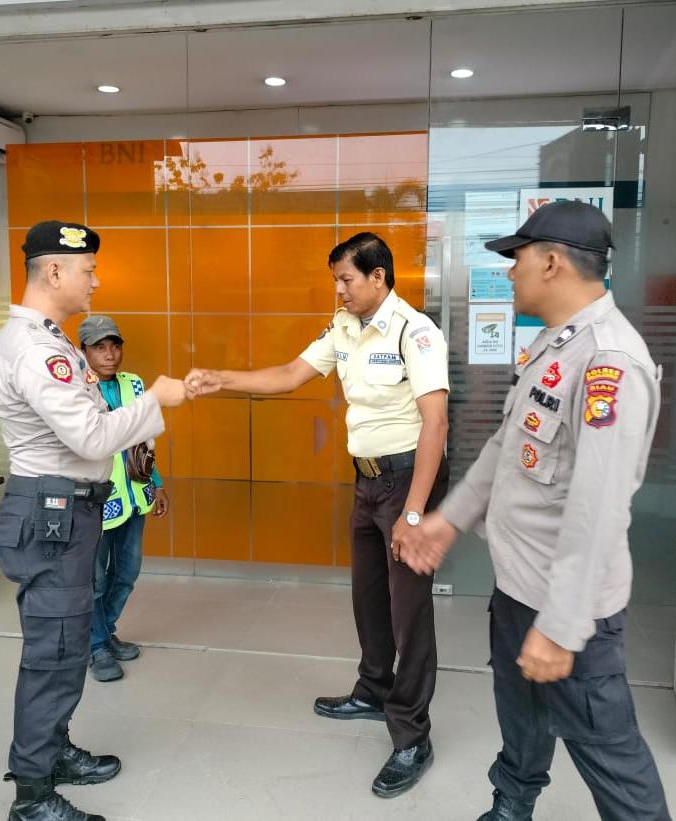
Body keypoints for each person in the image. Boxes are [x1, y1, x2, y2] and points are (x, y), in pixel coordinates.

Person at [396, 202, 671, 821]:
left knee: (610, 756)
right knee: (521, 723)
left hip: (568, 606)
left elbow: (599, 510)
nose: (509, 271)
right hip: (519, 589)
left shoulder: (608, 363)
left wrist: (562, 626)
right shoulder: (556, 343)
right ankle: (511, 807)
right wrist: (449, 519)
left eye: (516, 258)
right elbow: (507, 447)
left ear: (551, 262)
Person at [187, 232, 450, 798]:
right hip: (368, 480)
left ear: (378, 276)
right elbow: (289, 375)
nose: (339, 290)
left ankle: (412, 736)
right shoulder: (344, 328)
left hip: (409, 481)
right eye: (336, 281)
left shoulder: (415, 332)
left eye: (346, 279)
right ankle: (373, 690)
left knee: (408, 610)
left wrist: (412, 515)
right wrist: (221, 379)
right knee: (368, 596)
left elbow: (436, 423)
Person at [0, 220, 194, 821]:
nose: (95, 281)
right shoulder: (37, 350)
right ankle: (32, 797)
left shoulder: (49, 340)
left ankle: (51, 752)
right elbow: (91, 436)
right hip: (52, 511)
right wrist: (155, 399)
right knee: (54, 651)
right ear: (54, 271)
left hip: (65, 510)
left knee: (67, 641)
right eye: (88, 270)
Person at [77, 314, 169, 683]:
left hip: (135, 497)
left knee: (127, 573)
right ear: (83, 352)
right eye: (99, 347)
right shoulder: (75, 391)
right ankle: (96, 646)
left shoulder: (134, 384)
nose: (110, 354)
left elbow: (145, 441)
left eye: (114, 345)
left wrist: (157, 484)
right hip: (96, 501)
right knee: (94, 580)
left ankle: (104, 632)